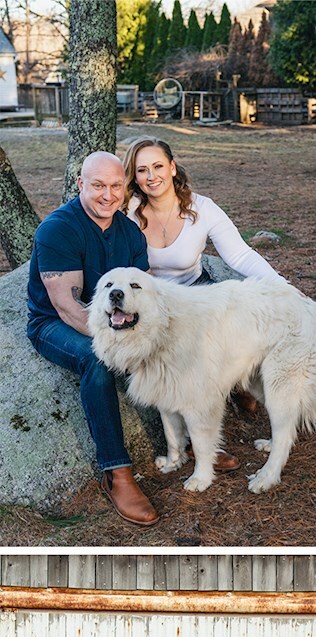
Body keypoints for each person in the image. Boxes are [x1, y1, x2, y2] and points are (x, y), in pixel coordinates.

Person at [26, 152, 158, 527]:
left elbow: (143, 295)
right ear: (80, 184)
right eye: (98, 185)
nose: (108, 195)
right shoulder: (58, 229)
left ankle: (198, 445)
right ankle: (117, 473)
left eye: (116, 186)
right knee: (97, 362)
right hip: (54, 324)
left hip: (118, 321)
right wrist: (123, 348)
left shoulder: (130, 232)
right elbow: (68, 308)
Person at [121, 137, 284, 288]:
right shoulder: (126, 212)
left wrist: (282, 286)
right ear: (135, 177)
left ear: (172, 168)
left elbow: (240, 255)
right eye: (142, 170)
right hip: (146, 297)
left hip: (194, 292)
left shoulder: (203, 208)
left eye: (158, 166)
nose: (152, 176)